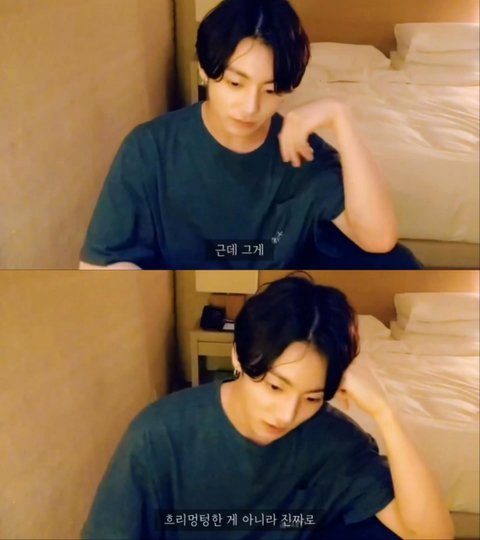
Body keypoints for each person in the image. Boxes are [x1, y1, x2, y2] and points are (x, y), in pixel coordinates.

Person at [81, 275, 453, 539]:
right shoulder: (159, 436)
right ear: (238, 357)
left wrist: (386, 413)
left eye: (312, 397)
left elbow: (429, 534)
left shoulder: (334, 442)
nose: (286, 415)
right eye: (275, 386)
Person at [79, 0, 421, 270]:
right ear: (205, 70)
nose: (250, 107)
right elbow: (103, 262)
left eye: (270, 90)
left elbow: (379, 240)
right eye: (235, 83)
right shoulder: (150, 149)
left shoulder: (301, 152)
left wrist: (340, 117)